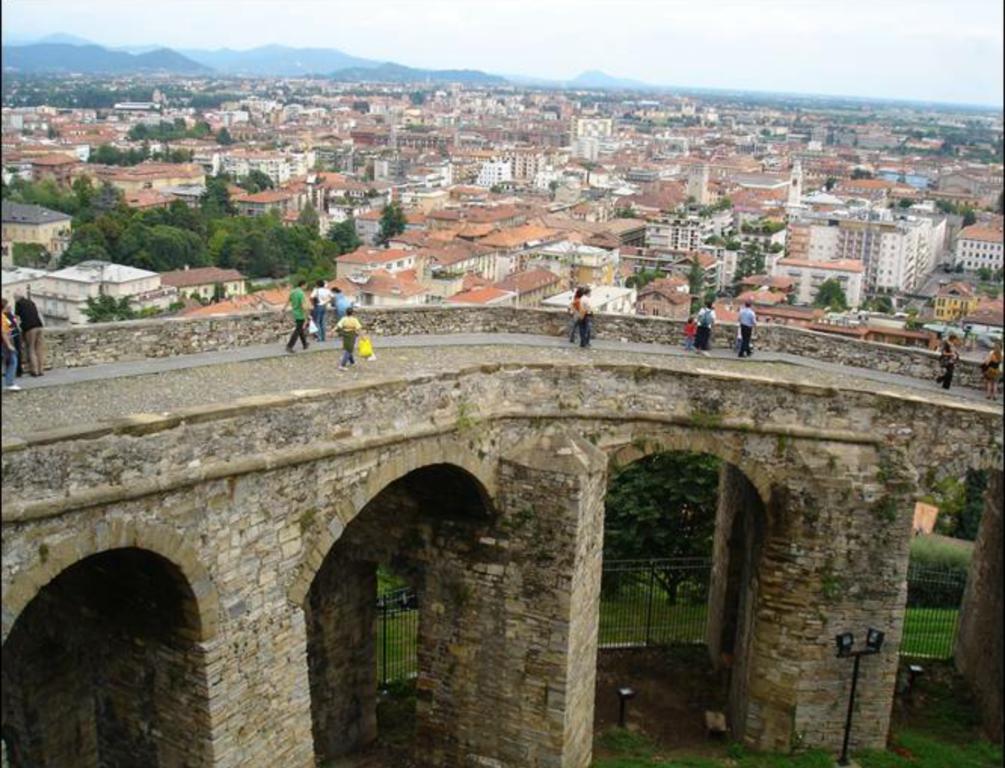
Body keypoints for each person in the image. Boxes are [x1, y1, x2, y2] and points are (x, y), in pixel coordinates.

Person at [14, 292, 44, 376]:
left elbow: (16, 317)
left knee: (31, 349)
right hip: (39, 325)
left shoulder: (18, 303)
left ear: (16, 298)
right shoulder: (31, 302)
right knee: (39, 349)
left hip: (30, 327)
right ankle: (41, 370)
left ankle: (35, 371)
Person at [285, 280, 310, 353]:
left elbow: (288, 300)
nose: (306, 287)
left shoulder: (293, 292)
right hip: (300, 314)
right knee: (297, 330)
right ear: (303, 285)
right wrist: (306, 316)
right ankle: (289, 346)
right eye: (306, 285)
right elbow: (303, 306)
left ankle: (305, 344)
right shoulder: (301, 293)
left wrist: (283, 309)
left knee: (300, 329)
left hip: (295, 313)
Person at [2, 298, 21, 391]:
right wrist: (9, 345)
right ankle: (9, 383)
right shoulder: (2, 317)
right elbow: (3, 332)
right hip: (3, 342)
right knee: (12, 360)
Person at [335, 306, 363, 371]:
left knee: (349, 348)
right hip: (351, 335)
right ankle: (342, 365)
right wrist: (362, 336)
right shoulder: (354, 320)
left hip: (345, 335)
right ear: (353, 313)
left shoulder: (343, 319)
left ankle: (352, 362)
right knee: (348, 350)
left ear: (346, 313)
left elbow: (338, 326)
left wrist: (332, 331)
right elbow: (359, 329)